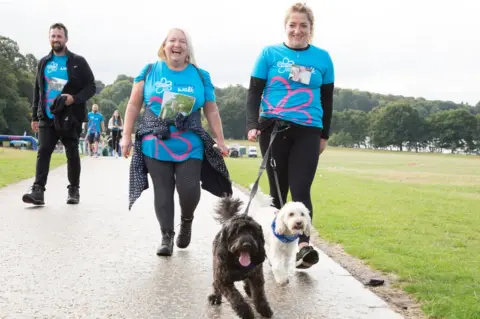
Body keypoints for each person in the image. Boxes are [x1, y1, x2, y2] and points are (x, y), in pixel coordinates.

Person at [121, 28, 232, 257]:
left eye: (182, 41)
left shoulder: (200, 76)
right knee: (162, 190)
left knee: (189, 189)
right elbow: (133, 106)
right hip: (155, 138)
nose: (177, 45)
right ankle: (166, 236)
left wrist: (220, 139)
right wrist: (126, 135)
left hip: (190, 140)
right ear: (164, 45)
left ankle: (187, 219)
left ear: (188, 49)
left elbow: (211, 110)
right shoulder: (150, 71)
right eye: (172, 40)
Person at [245, 2, 335, 269]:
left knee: (301, 188)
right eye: (292, 25)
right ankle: (276, 245)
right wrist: (252, 123)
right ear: (286, 27)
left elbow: (327, 99)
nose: (298, 30)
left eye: (303, 26)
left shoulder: (322, 58)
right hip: (273, 129)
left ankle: (304, 246)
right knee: (277, 192)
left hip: (308, 130)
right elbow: (253, 92)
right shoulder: (269, 54)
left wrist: (324, 135)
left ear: (311, 29)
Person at [22, 22, 96, 206]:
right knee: (43, 151)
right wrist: (34, 116)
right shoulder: (43, 63)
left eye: (59, 36)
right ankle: (38, 190)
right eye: (53, 36)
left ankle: (73, 190)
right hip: (48, 116)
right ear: (49, 38)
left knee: (72, 152)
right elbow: (38, 90)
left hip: (70, 116)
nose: (56, 39)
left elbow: (91, 87)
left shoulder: (78, 62)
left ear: (66, 39)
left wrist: (74, 98)